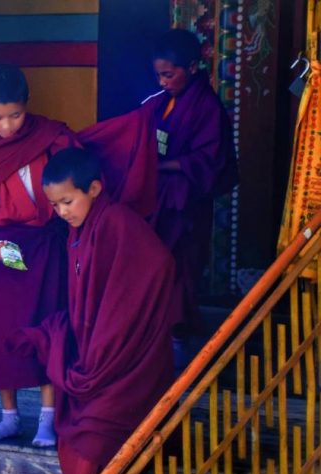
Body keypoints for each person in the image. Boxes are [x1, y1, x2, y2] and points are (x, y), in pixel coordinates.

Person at [10, 148, 180, 474]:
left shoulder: (117, 221)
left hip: (126, 351)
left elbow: (159, 267)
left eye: (68, 202)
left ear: (95, 189)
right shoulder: (78, 231)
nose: (62, 212)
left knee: (93, 433)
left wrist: (118, 328)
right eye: (55, 205)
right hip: (94, 347)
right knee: (80, 429)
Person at [0, 63, 77, 448]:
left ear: (28, 104)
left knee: (46, 328)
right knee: (2, 333)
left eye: (16, 115)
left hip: (46, 244)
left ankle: (47, 419)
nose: (8, 126)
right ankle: (8, 416)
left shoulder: (51, 137)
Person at [144, 29, 237, 350]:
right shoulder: (162, 103)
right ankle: (158, 333)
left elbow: (209, 160)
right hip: (160, 198)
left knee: (180, 269)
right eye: (159, 76)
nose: (163, 83)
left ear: (193, 67)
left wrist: (163, 166)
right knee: (155, 264)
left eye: (169, 75)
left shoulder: (206, 106)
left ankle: (178, 337)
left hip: (187, 205)